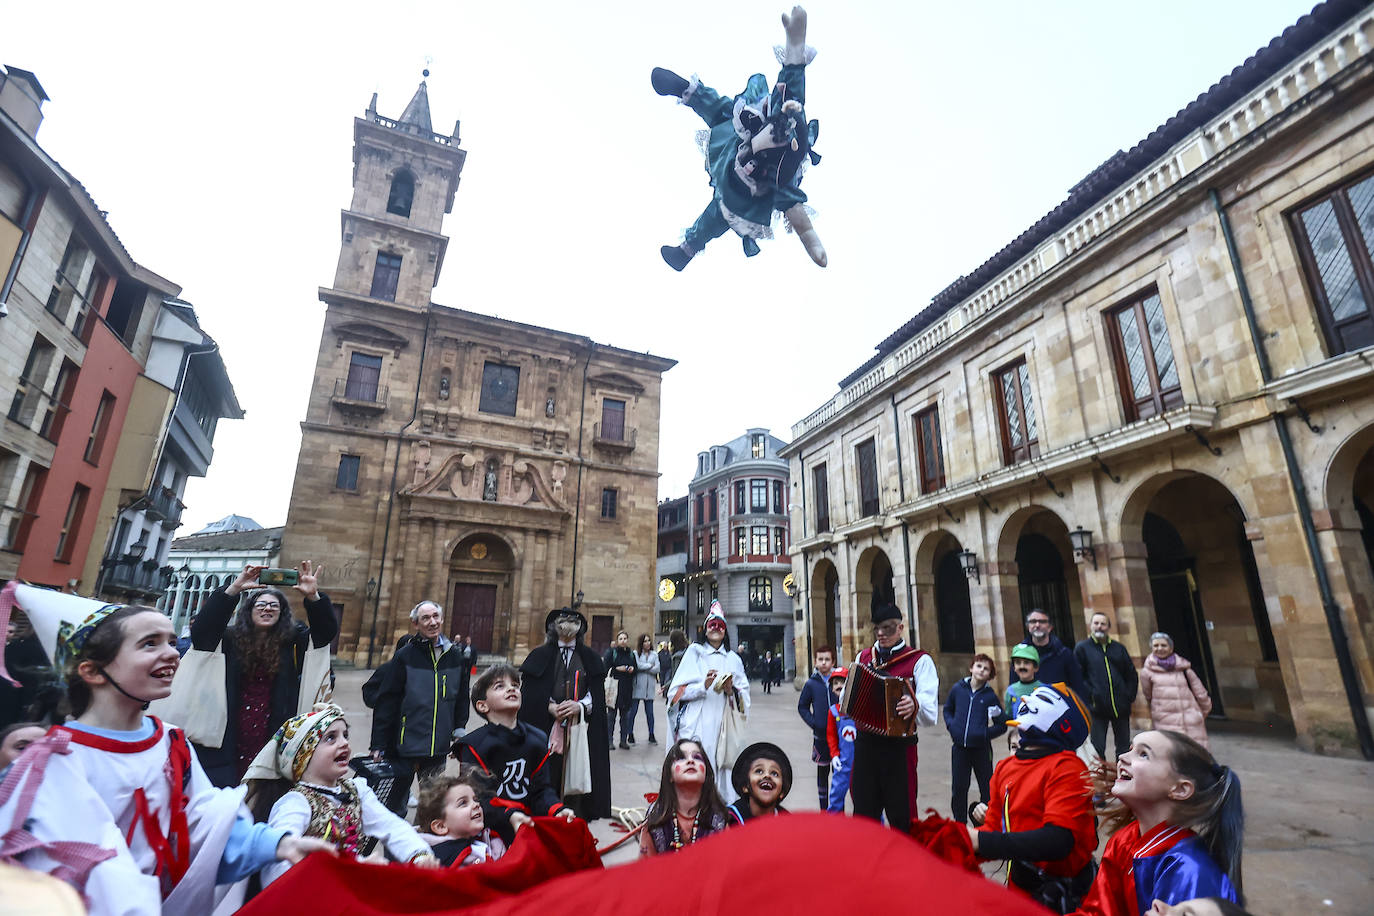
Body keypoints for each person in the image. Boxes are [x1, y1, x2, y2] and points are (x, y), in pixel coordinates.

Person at [0, 582, 333, 913]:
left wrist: (277, 844)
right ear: (92, 671)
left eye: (172, 642)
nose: (173, 653)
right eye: (149, 643)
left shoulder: (172, 743)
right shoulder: (47, 765)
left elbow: (203, 825)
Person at [245, 703, 437, 885]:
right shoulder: (295, 802)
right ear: (303, 755)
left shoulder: (356, 790)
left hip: (351, 888)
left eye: (345, 735)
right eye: (331, 738)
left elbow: (392, 826)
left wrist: (419, 855)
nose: (344, 743)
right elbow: (276, 867)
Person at [189, 561, 337, 787]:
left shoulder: (293, 641)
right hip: (229, 725)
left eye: (274, 606)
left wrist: (314, 597)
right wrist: (234, 589)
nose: (267, 608)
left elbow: (325, 634)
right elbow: (202, 631)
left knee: (263, 789)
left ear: (282, 613)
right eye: (261, 604)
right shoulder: (229, 639)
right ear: (249, 610)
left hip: (274, 726)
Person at [1075, 730, 1244, 915]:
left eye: (1143, 754)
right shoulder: (1124, 840)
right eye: (1131, 749)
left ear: (1180, 789)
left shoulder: (1189, 869)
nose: (1122, 757)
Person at [970, 682, 1098, 912]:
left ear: (1065, 724)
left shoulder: (1067, 767)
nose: (1027, 701)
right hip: (1020, 890)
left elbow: (1058, 840)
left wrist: (981, 842)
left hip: (1064, 896)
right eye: (1030, 696)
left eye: (1045, 700)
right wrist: (953, 843)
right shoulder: (1005, 766)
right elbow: (993, 828)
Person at [450, 664, 576, 845]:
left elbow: (541, 790)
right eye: (499, 686)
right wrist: (509, 815)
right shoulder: (474, 746)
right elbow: (478, 798)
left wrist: (556, 809)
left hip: (529, 827)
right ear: (482, 705)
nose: (511, 688)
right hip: (489, 834)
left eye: (515, 685)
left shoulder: (537, 739)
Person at [849, 602, 938, 830]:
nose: (881, 634)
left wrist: (914, 705)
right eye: (877, 628)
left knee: (902, 813)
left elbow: (930, 713)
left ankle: (904, 861)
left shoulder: (919, 661)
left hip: (900, 748)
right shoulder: (863, 657)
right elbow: (851, 696)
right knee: (863, 811)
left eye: (887, 628)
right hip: (866, 745)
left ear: (900, 628)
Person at [517, 607, 611, 822]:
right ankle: (547, 814)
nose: (569, 622)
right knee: (547, 772)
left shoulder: (590, 658)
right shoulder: (539, 655)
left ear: (581, 628)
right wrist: (549, 706)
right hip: (546, 727)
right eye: (563, 619)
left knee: (577, 773)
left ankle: (574, 818)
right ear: (553, 626)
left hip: (580, 728)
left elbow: (595, 694)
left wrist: (580, 707)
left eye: (574, 619)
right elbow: (530, 693)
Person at [368, 600, 468, 802]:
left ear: (441, 619)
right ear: (416, 624)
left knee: (431, 804)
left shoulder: (455, 656)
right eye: (425, 618)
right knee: (394, 802)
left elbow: (461, 697)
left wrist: (459, 731)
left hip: (437, 747)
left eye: (435, 617)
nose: (432, 622)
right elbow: (387, 701)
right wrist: (378, 743)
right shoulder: (404, 656)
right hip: (404, 745)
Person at [667, 600, 750, 802]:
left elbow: (744, 697)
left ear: (725, 631)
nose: (716, 629)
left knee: (722, 766)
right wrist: (702, 687)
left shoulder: (733, 659)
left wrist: (731, 691)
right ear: (705, 630)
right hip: (696, 723)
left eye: (720, 626)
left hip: (722, 723)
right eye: (712, 625)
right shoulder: (694, 654)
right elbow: (674, 695)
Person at [943, 653, 1008, 824]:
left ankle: (987, 820)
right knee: (959, 787)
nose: (981, 670)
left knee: (987, 786)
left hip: (981, 750)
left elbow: (1002, 724)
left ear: (990, 675)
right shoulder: (958, 689)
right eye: (979, 666)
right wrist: (952, 726)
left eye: (986, 669)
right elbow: (947, 709)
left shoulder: (990, 697)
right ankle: (959, 822)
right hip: (959, 748)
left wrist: (984, 734)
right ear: (971, 668)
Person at [637, 739, 731, 856]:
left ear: (706, 774)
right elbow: (645, 869)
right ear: (669, 775)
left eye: (697, 757)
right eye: (681, 758)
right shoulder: (656, 816)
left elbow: (728, 865)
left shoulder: (719, 818)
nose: (691, 761)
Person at [1075, 613, 1139, 761]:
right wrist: (1091, 697)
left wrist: (1128, 696)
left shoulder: (1119, 648)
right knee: (1098, 748)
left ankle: (1123, 777)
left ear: (1108, 627)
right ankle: (1100, 781)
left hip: (1120, 706)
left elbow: (1130, 674)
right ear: (1091, 626)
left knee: (1123, 747)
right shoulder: (1082, 648)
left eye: (1103, 624)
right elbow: (1078, 677)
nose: (1099, 627)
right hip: (1097, 708)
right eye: (1096, 623)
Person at [415, 771, 508, 868]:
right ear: (441, 826)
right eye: (463, 803)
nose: (477, 804)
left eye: (475, 799)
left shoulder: (489, 840)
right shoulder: (441, 862)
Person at [1140, 634, 1212, 749]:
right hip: (1164, 720)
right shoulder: (1147, 672)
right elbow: (1148, 695)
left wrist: (1198, 714)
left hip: (1190, 720)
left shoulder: (1184, 668)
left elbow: (1201, 693)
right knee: (1172, 756)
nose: (1159, 648)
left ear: (1171, 648)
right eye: (1156, 645)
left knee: (1197, 756)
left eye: (1163, 645)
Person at [797, 644, 836, 809]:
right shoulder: (811, 684)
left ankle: (836, 808)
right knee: (822, 772)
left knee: (840, 774)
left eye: (827, 659)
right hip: (821, 737)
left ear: (833, 661)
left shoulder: (840, 680)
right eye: (821, 659)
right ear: (815, 661)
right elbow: (802, 706)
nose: (824, 663)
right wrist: (815, 723)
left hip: (840, 736)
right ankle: (824, 809)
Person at [1021, 608, 1087, 699]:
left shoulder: (1064, 654)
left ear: (1050, 627)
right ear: (1028, 626)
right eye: (1033, 621)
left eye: (1042, 622)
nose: (1037, 625)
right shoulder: (1020, 655)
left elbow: (1078, 686)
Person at [726, 741, 791, 824]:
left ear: (782, 792)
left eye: (774, 773)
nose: (767, 775)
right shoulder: (729, 821)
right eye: (759, 771)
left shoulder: (787, 821)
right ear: (745, 786)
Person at [825, 668, 855, 813]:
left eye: (842, 682)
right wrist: (834, 755)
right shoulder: (833, 711)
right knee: (836, 797)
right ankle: (834, 828)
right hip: (842, 762)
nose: (838, 686)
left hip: (861, 761)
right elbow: (831, 736)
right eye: (835, 683)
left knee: (868, 798)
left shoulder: (857, 709)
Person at [605, 630, 636, 749]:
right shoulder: (612, 653)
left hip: (627, 689)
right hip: (614, 688)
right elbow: (606, 668)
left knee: (625, 717)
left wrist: (632, 669)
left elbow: (636, 668)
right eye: (621, 639)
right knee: (611, 717)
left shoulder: (631, 654)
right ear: (617, 641)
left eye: (625, 638)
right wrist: (617, 669)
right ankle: (609, 741)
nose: (623, 641)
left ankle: (623, 740)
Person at [628, 634, 660, 744]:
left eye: (649, 641)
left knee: (650, 713)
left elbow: (657, 668)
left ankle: (651, 734)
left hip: (649, 687)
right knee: (633, 712)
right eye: (645, 641)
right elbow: (637, 666)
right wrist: (649, 666)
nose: (648, 643)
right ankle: (630, 734)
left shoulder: (654, 654)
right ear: (641, 643)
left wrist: (646, 667)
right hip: (638, 686)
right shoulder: (636, 653)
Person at [1006, 643, 1045, 719]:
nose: (1022, 666)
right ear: (1014, 668)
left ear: (1035, 667)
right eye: (1018, 663)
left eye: (1026, 663)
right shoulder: (1011, 691)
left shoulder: (1044, 689)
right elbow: (1009, 716)